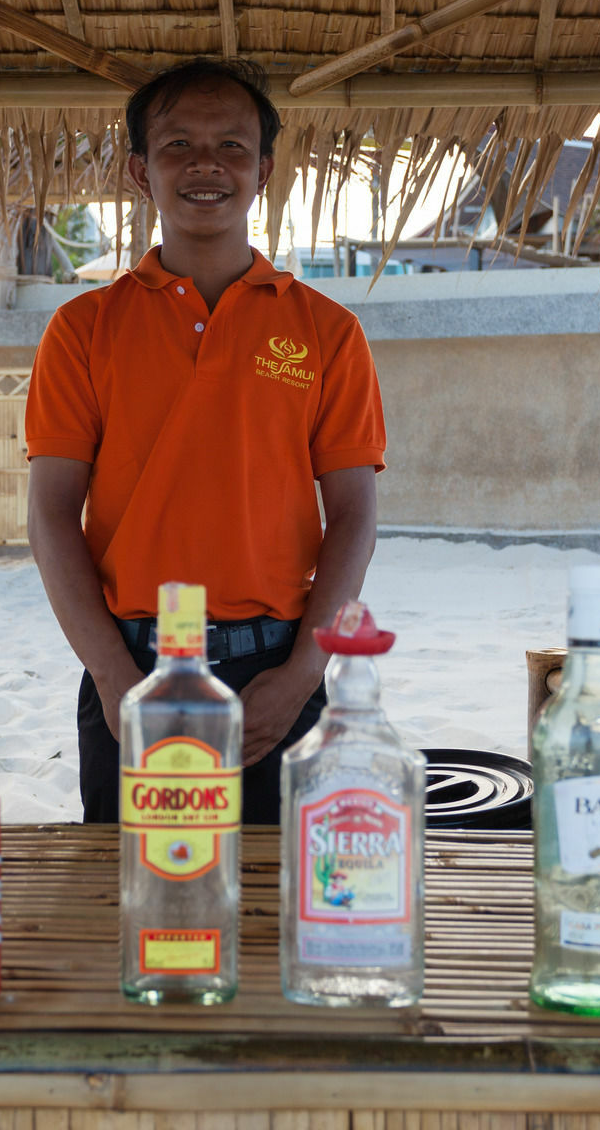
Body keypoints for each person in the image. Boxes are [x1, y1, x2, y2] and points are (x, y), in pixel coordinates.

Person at [25, 57, 386, 826]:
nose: (205, 165)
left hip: (278, 673)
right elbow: (51, 515)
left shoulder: (328, 332)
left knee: (277, 921)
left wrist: (299, 675)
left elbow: (354, 516)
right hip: (128, 670)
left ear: (263, 169)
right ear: (138, 170)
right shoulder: (83, 329)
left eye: (230, 146)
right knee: (137, 919)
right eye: (178, 144)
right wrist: (115, 676)